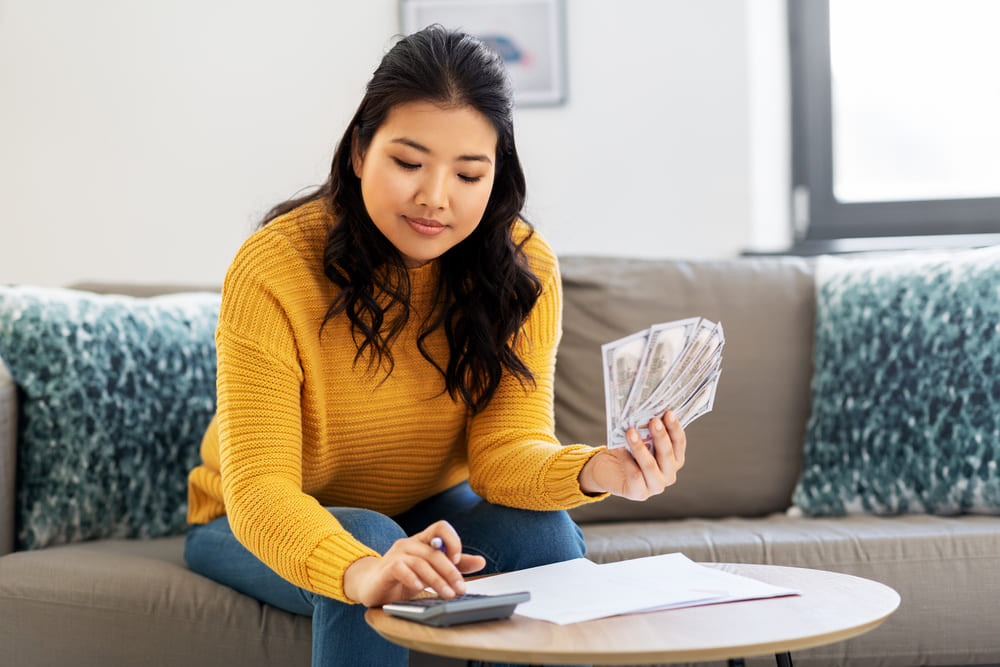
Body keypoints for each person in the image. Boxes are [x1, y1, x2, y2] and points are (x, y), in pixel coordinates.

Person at [184, 24, 687, 667]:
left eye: (469, 173)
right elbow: (262, 492)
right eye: (408, 163)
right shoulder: (275, 267)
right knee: (369, 538)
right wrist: (364, 570)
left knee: (544, 531)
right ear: (360, 150)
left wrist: (599, 470)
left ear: (495, 174)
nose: (435, 198)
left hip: (428, 506)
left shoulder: (522, 269)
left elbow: (504, 458)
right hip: (246, 518)